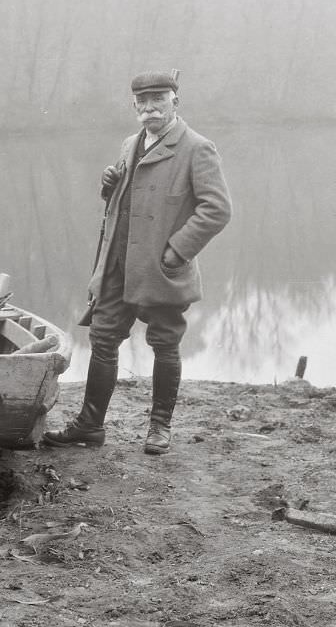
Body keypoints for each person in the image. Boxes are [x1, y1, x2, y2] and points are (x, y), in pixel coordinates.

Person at [45, 70, 231, 454]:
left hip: (163, 269)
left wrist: (176, 252)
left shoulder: (197, 148)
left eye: (158, 100)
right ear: (134, 107)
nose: (150, 109)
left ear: (175, 101)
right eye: (142, 103)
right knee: (103, 338)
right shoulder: (131, 144)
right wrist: (108, 185)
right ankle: (90, 426)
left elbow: (217, 210)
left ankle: (159, 428)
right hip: (117, 265)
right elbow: (124, 204)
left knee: (165, 344)